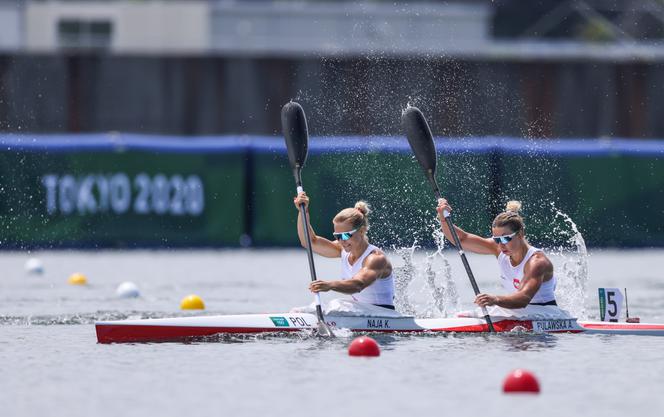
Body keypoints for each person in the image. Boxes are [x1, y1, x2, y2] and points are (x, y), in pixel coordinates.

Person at [436, 199, 557, 310]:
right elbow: (462, 239)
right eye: (497, 239)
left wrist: (495, 299)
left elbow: (523, 298)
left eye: (505, 239)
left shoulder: (537, 262)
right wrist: (443, 219)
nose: (500, 244)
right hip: (519, 312)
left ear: (520, 234)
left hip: (546, 314)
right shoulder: (499, 248)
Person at [293, 192, 395, 310]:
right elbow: (309, 242)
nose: (342, 241)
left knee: (336, 305)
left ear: (361, 231)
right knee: (306, 310)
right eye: (338, 236)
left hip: (382, 315)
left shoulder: (376, 259)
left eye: (346, 235)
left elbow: (358, 284)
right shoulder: (343, 250)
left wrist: (329, 285)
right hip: (360, 311)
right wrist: (303, 212)